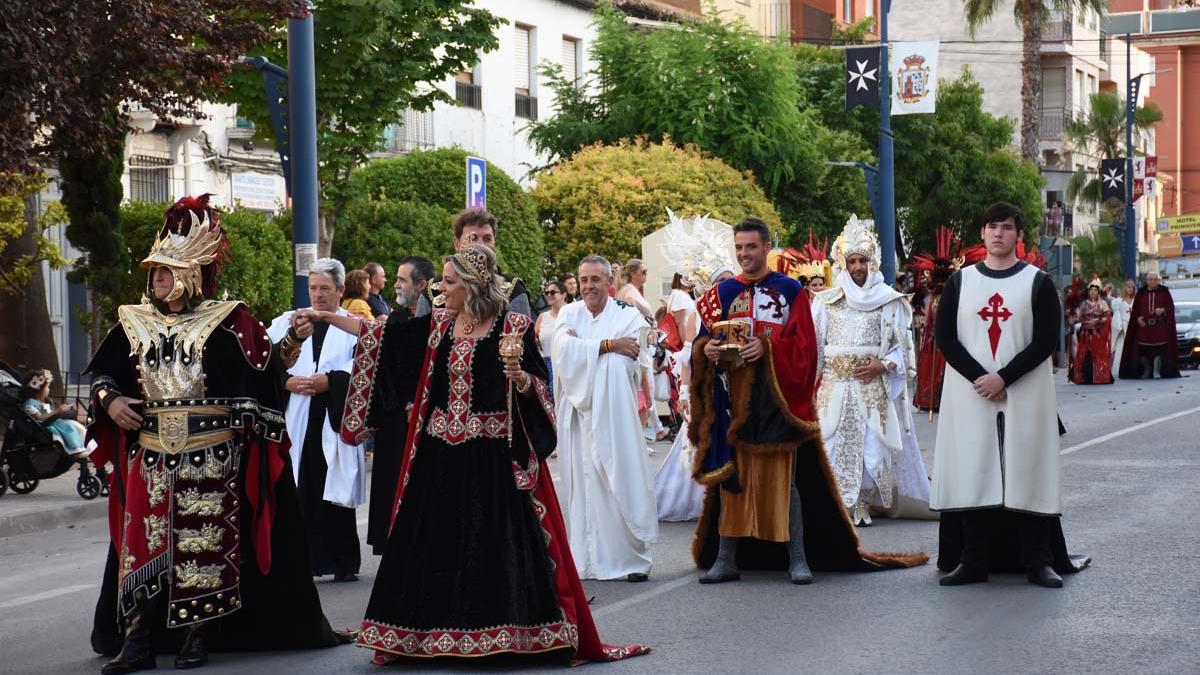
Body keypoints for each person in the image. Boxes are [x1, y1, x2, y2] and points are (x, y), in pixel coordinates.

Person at [321, 244, 649, 664]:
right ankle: (425, 636)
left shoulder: (513, 326)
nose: (442, 288)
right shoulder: (440, 324)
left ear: (474, 286)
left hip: (493, 458)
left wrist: (522, 380)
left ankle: (504, 634)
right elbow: (385, 337)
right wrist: (330, 317)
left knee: (492, 548)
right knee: (434, 547)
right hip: (440, 457)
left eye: (451, 282)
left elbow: (540, 387)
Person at [84, 196, 342, 674]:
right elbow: (102, 376)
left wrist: (293, 341)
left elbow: (263, 371)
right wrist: (110, 400)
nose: (157, 278)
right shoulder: (132, 321)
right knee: (141, 544)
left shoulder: (227, 319)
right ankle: (137, 640)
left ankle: (196, 636)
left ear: (188, 274)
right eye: (155, 271)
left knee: (203, 545)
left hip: (212, 451)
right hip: (152, 452)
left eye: (166, 271)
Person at [689, 218, 927, 586]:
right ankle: (726, 556)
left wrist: (765, 348)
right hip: (733, 403)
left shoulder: (790, 292)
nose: (744, 255)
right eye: (738, 248)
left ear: (766, 248)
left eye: (751, 247)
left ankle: (797, 558)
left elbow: (806, 349)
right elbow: (701, 342)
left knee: (787, 480)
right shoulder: (720, 294)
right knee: (732, 481)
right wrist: (710, 348)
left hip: (775, 401)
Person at [931, 202, 1090, 588]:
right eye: (992, 227)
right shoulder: (961, 282)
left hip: (1025, 389)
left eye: (1006, 227)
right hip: (970, 392)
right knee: (975, 470)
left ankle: (1039, 561)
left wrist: (1003, 377)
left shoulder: (1036, 282)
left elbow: (1045, 341)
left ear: (1019, 236)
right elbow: (945, 338)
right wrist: (980, 378)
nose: (998, 233)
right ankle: (972, 562)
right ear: (983, 234)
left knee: (1028, 470)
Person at [812, 216, 933, 527]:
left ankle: (863, 502)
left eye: (862, 260)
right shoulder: (826, 302)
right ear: (843, 263)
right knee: (831, 443)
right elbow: (814, 345)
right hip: (834, 387)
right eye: (851, 261)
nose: (857, 267)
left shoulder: (889, 302)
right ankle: (835, 502)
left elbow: (903, 347)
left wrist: (884, 364)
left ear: (872, 261)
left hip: (872, 388)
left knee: (873, 448)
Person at [552, 256, 658, 582]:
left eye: (595, 280)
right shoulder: (570, 313)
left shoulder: (628, 316)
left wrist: (589, 352)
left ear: (609, 281)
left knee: (617, 481)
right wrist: (607, 346)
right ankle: (586, 560)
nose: (588, 287)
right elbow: (562, 351)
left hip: (614, 419)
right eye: (583, 280)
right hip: (578, 420)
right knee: (583, 488)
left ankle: (630, 559)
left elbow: (627, 362)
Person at [266, 258, 366, 583]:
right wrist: (286, 382)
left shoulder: (353, 324)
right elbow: (266, 363)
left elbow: (364, 367)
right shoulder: (286, 322)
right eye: (313, 288)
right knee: (298, 487)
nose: (318, 295)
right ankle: (302, 562)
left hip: (332, 415)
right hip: (297, 414)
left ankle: (340, 560)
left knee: (332, 485)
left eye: (325, 288)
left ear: (339, 289)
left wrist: (333, 381)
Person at [358, 255, 434, 557]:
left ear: (422, 285)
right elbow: (384, 365)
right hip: (395, 419)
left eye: (402, 279)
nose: (396, 285)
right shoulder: (397, 319)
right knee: (391, 489)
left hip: (426, 420)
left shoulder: (437, 322)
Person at [422, 207, 532, 317]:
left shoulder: (513, 289)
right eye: (473, 238)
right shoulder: (433, 291)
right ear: (456, 243)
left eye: (487, 239)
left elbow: (521, 331)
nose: (481, 245)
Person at [615, 258, 662, 445]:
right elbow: (630, 304)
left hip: (642, 344)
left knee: (643, 392)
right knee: (644, 392)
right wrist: (649, 317)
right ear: (633, 273)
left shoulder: (630, 289)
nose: (646, 275)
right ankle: (637, 441)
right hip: (637, 346)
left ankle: (638, 440)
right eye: (643, 271)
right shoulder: (628, 291)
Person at [1119, 272, 1181, 379]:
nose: (1153, 281)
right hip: (1144, 328)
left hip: (1159, 327)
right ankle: (1147, 369)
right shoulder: (1141, 293)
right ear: (1147, 281)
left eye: (1155, 279)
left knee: (1160, 350)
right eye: (1150, 279)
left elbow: (1170, 308)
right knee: (1140, 350)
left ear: (1158, 280)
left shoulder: (1164, 292)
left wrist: (1163, 310)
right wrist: (1137, 319)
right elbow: (1135, 311)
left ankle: (1157, 371)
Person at [21, 369, 88, 456]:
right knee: (67, 427)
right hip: (44, 425)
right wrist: (57, 411)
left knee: (74, 425)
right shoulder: (30, 403)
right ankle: (75, 449)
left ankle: (84, 446)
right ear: (38, 389)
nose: (48, 390)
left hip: (52, 422)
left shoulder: (45, 401)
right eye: (47, 387)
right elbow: (40, 417)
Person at [1070, 280, 1114, 384]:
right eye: (1091, 290)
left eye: (1095, 290)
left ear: (1098, 292)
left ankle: (1100, 376)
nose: (1093, 292)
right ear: (1088, 292)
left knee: (1098, 353)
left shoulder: (1102, 303)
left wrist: (1098, 320)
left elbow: (1108, 317)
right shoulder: (1083, 304)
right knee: (1084, 353)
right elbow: (1079, 317)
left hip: (1098, 333)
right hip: (1085, 332)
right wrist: (1074, 316)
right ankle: (1084, 377)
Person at [535, 279, 569, 390]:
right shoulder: (542, 317)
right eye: (547, 293)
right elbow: (535, 340)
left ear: (564, 294)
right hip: (545, 366)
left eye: (553, 292)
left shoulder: (572, 315)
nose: (549, 295)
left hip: (566, 364)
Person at [1109, 279, 1136, 373]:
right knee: (1121, 349)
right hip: (1123, 327)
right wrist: (1119, 326)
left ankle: (1133, 369)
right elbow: (1117, 315)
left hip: (1134, 326)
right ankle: (1119, 370)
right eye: (1128, 287)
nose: (1130, 289)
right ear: (1125, 288)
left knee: (1134, 348)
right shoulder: (1119, 301)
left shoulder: (1136, 300)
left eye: (1132, 287)